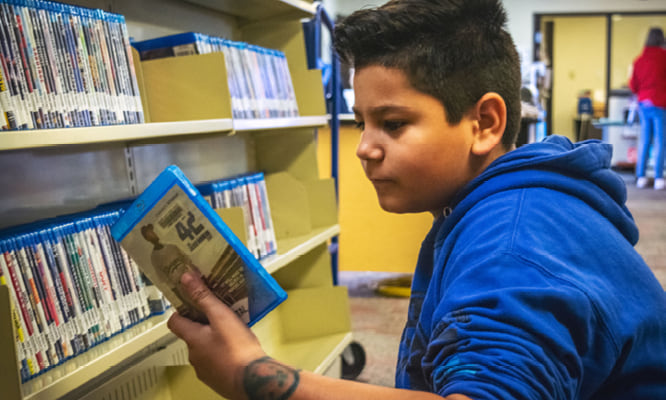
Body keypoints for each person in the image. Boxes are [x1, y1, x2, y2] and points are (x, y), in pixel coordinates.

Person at [167, 0, 666, 399]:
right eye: (361, 121)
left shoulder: (511, 248)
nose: (364, 147)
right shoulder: (507, 202)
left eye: (394, 123)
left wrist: (252, 375)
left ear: (485, 123)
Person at [629, 27, 666, 190]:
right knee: (660, 141)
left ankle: (641, 177)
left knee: (644, 140)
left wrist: (643, 93)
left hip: (643, 103)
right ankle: (658, 178)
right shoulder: (664, 58)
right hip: (660, 102)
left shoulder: (639, 60)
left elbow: (633, 85)